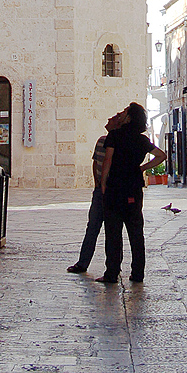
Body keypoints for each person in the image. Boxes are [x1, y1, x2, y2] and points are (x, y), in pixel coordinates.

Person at [96, 103, 166, 284]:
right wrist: (142, 167)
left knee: (113, 232)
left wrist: (103, 182)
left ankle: (112, 272)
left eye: (126, 111)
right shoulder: (141, 140)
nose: (122, 113)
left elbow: (108, 160)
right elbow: (161, 156)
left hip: (115, 188)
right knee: (136, 232)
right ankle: (138, 273)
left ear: (129, 118)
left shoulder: (115, 136)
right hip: (133, 188)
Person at [66, 110, 128, 274]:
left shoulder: (121, 143)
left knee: (113, 229)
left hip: (112, 191)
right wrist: (97, 183)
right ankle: (83, 263)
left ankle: (114, 266)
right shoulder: (101, 140)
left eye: (114, 118)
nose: (109, 118)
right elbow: (95, 162)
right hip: (99, 190)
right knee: (93, 226)